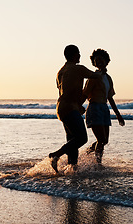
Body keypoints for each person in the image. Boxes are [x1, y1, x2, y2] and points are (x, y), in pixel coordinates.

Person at [49, 44, 103, 173]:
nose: (80, 56)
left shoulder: (60, 72)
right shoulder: (78, 69)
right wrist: (101, 70)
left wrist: (78, 105)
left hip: (61, 108)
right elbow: (96, 76)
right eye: (78, 53)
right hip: (70, 108)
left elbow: (65, 91)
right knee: (82, 138)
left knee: (72, 140)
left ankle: (72, 168)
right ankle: (56, 155)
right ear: (74, 55)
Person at [82, 48, 125, 164]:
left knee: (104, 140)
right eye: (96, 60)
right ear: (94, 63)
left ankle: (86, 153)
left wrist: (118, 115)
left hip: (104, 109)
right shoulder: (93, 77)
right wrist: (77, 106)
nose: (99, 62)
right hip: (94, 108)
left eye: (101, 59)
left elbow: (110, 98)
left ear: (107, 61)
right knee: (100, 140)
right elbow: (85, 93)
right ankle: (98, 164)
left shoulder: (108, 78)